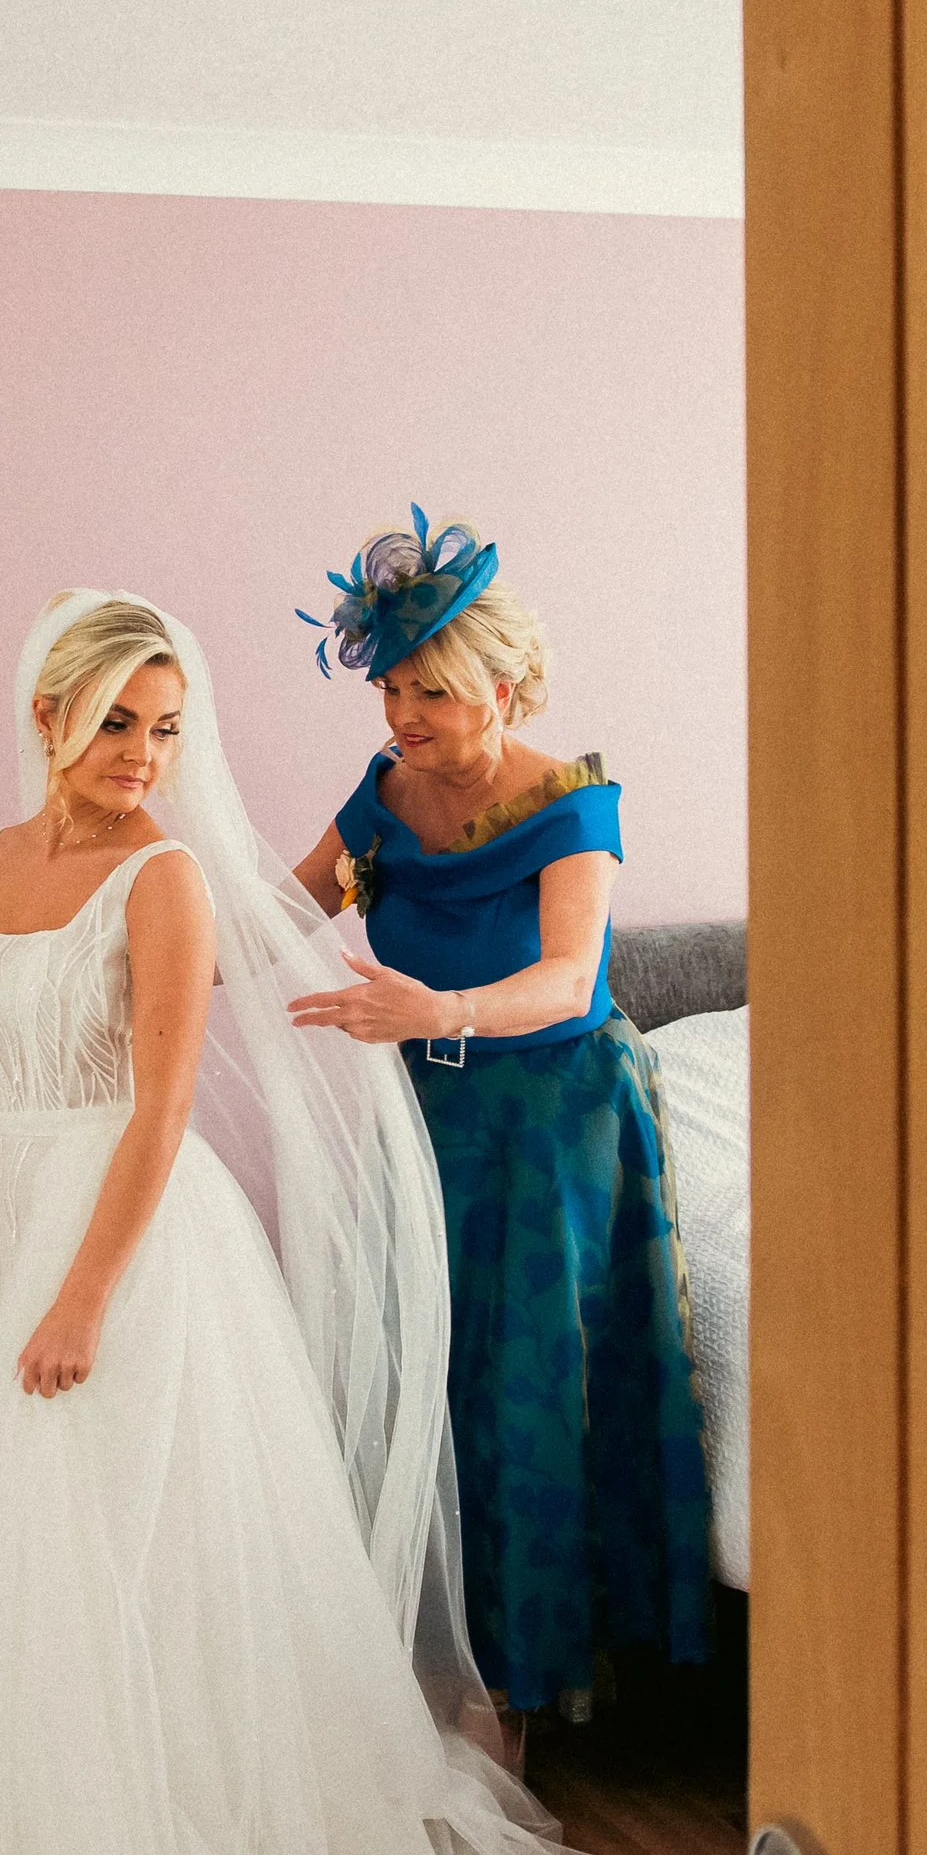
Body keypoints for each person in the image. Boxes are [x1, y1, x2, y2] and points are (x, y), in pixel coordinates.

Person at [0, 588, 644, 1855]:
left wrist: (81, 1295)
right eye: (119, 723)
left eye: (168, 727)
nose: (147, 754)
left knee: (89, 1572)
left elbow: (154, 1111)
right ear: (48, 717)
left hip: (118, 1240)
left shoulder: (166, 881)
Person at [289, 513, 712, 1750]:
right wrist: (152, 949)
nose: (400, 714)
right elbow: (285, 905)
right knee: (423, 1363)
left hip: (554, 1117)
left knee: (526, 1385)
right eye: (389, 686)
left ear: (507, 686)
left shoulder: (574, 805)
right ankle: (432, 1665)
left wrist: (439, 1008)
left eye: (431, 690)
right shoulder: (382, 795)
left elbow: (572, 975)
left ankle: (521, 1694)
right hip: (429, 1118)